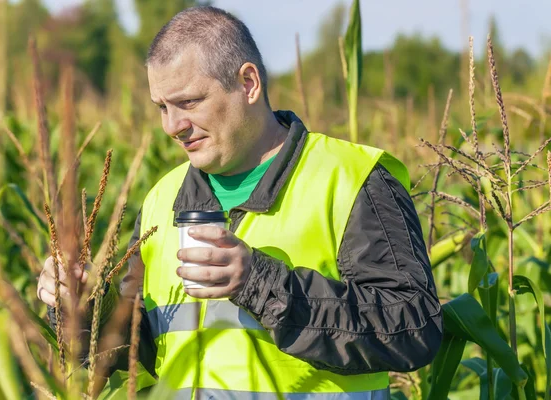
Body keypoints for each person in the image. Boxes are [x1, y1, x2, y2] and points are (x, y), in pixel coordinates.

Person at [37, 6, 442, 399]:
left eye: (189, 102)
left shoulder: (353, 177)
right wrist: (87, 303)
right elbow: (134, 349)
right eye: (162, 107)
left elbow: (412, 328)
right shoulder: (163, 197)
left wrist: (258, 282)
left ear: (248, 84)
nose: (172, 127)